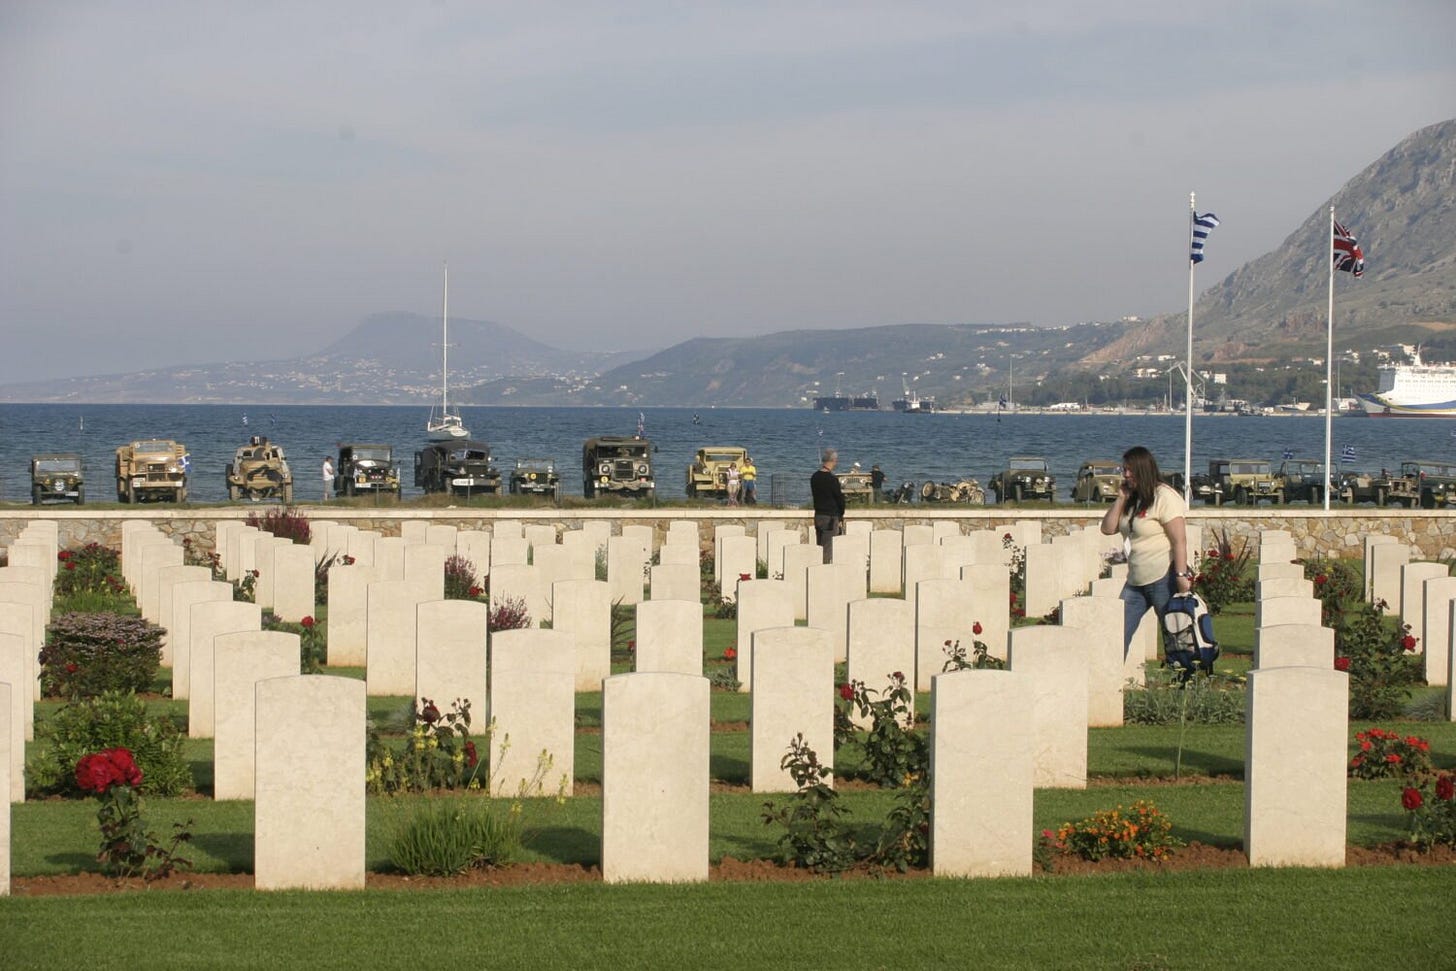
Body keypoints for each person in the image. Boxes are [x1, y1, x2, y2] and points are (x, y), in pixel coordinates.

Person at [1100, 446, 1192, 661]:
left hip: (1163, 578)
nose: (1126, 475)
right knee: (1117, 635)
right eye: (1124, 470)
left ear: (1143, 469)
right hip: (1135, 581)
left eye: (1130, 470)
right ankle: (1112, 684)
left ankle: (1187, 683)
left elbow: (1179, 540)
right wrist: (1121, 499)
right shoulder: (1133, 498)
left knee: (1175, 635)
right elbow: (1107, 528)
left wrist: (1181, 576)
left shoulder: (1164, 497)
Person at [810, 448, 846, 559]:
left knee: (819, 545)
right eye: (836, 460)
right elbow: (839, 499)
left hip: (818, 515)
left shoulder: (814, 477)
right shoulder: (832, 479)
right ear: (833, 461)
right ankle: (824, 569)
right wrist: (841, 514)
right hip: (830, 517)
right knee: (828, 548)